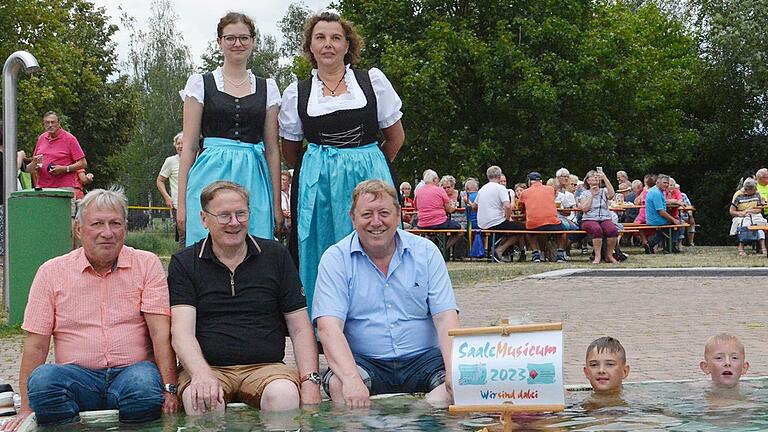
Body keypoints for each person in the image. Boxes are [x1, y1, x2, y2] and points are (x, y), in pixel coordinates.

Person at [2, 188, 178, 431]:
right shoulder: (51, 272)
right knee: (43, 382)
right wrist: (26, 410)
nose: (107, 233)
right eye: (97, 223)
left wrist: (170, 390)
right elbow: (36, 344)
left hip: (132, 374)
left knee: (145, 387)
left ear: (125, 228)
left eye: (115, 223)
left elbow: (161, 334)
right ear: (78, 229)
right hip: (77, 378)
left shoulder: (146, 264)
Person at [279, 12, 404, 313]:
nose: (328, 45)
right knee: (321, 250)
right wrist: (321, 167)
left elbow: (396, 137)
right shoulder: (298, 92)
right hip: (319, 186)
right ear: (310, 46)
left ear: (348, 45)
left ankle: (381, 325)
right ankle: (326, 329)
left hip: (369, 178)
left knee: (375, 244)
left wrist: (370, 162)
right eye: (320, 38)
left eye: (336, 38)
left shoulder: (372, 81)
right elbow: (291, 150)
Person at [168, 181, 321, 415]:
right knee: (201, 401)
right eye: (224, 215)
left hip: (266, 368)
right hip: (209, 367)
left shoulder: (276, 256)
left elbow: (300, 326)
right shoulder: (185, 263)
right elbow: (181, 332)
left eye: (241, 214)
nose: (234, 223)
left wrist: (310, 380)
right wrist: (201, 374)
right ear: (203, 218)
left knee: (284, 397)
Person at [312, 180, 460, 408]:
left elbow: (446, 318)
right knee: (339, 386)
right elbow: (328, 327)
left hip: (425, 359)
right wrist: (352, 379)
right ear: (353, 218)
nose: (376, 222)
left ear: (399, 214)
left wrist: (453, 370)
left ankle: (419, 414)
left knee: (460, 385)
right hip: (365, 361)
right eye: (367, 214)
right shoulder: (335, 259)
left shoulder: (427, 252)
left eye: (384, 213)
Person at [177, 12, 283, 246]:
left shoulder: (268, 88)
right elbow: (190, 146)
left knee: (255, 242)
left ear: (253, 41)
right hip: (209, 172)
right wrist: (181, 203)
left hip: (253, 173)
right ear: (219, 41)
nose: (238, 43)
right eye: (230, 38)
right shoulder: (200, 84)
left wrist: (276, 204)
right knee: (206, 241)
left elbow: (273, 150)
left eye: (244, 38)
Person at [477, 166, 524, 263]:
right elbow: (507, 206)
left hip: (482, 223)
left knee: (509, 228)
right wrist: (507, 217)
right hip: (495, 222)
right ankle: (499, 250)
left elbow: (474, 206)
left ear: (488, 176)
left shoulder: (482, 189)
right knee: (521, 228)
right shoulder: (501, 188)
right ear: (499, 176)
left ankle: (495, 250)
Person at [517, 172, 568, 263]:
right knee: (563, 231)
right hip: (552, 222)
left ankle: (535, 253)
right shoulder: (550, 189)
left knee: (529, 231)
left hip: (534, 224)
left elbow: (520, 208)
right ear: (541, 181)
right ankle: (560, 254)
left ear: (529, 182)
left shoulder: (524, 192)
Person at [415, 170, 464, 251]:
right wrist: (453, 206)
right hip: (439, 222)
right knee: (460, 230)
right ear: (434, 180)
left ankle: (435, 250)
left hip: (422, 223)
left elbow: (416, 207)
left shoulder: (418, 191)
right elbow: (450, 210)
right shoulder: (439, 190)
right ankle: (442, 249)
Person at [579, 170, 619, 264]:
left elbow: (612, 195)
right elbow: (584, 209)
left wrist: (604, 177)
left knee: (612, 230)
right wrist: (592, 195)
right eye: (593, 176)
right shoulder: (584, 193)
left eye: (597, 176)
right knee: (597, 229)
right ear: (588, 181)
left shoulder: (604, 191)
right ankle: (597, 256)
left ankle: (609, 255)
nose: (596, 178)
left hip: (604, 217)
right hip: (589, 219)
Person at [582, 337, 630, 409]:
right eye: (594, 365)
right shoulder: (577, 406)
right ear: (586, 372)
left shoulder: (637, 405)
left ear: (624, 371)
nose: (601, 370)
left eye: (610, 364)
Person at [156, 132, 184, 248]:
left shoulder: (197, 159)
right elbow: (160, 181)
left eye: (183, 143)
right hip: (179, 206)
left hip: (196, 205)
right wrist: (167, 197)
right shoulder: (171, 161)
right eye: (178, 143)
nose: (180, 146)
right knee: (184, 237)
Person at [729, 178, 767, 256]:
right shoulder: (738, 195)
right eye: (754, 189)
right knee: (746, 223)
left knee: (760, 224)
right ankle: (741, 248)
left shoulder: (757, 194)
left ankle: (763, 248)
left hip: (754, 214)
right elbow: (732, 211)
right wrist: (742, 213)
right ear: (748, 189)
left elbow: (759, 209)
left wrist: (752, 211)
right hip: (741, 216)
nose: (756, 190)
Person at [645, 174, 681, 254]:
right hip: (656, 220)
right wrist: (674, 220)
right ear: (657, 182)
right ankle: (668, 246)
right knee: (677, 224)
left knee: (668, 228)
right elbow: (661, 212)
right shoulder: (656, 193)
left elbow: (663, 204)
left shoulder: (656, 190)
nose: (666, 185)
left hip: (653, 218)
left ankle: (666, 246)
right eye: (664, 183)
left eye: (667, 183)